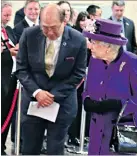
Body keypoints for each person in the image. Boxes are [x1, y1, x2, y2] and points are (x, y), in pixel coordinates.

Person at [16, 4, 87, 155]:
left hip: (62, 103)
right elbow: (21, 69)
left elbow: (78, 73)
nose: (49, 32)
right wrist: (37, 92)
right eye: (45, 27)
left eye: (53, 27)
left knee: (55, 149)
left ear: (64, 22)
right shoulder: (29, 35)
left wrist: (53, 95)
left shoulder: (78, 39)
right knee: (29, 148)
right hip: (34, 102)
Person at [82, 19, 137, 155]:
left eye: (94, 43)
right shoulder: (94, 61)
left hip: (120, 132)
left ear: (107, 47)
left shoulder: (133, 62)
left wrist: (118, 104)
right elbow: (87, 90)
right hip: (97, 132)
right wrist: (86, 100)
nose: (90, 46)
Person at [67, 11, 90, 146]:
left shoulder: (91, 35)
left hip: (88, 76)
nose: (84, 22)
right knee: (74, 107)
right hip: (76, 77)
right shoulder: (75, 34)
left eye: (86, 19)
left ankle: (84, 134)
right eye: (81, 20)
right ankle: (72, 135)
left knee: (84, 107)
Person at [1, 2, 19, 155]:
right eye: (5, 15)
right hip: (1, 78)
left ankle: (1, 145)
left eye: (9, 15)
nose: (8, 18)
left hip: (12, 78)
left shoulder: (9, 30)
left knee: (7, 114)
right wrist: (10, 53)